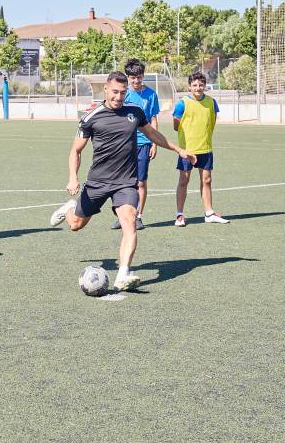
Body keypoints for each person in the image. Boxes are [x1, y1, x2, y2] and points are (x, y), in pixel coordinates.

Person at [49, 72, 196, 291]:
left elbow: (152, 134)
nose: (118, 97)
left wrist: (178, 149)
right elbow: (75, 151)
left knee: (129, 222)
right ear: (106, 89)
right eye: (115, 92)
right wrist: (73, 177)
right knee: (75, 225)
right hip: (98, 182)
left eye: (122, 93)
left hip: (126, 181)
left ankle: (123, 274)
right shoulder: (91, 117)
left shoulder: (134, 112)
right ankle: (70, 208)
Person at [173, 71, 229, 226]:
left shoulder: (212, 102)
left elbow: (212, 122)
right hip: (187, 150)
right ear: (189, 87)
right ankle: (179, 215)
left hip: (205, 148)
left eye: (201, 85)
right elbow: (176, 125)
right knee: (184, 180)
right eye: (195, 85)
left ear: (205, 86)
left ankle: (209, 213)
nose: (198, 88)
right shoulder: (182, 103)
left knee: (207, 180)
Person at [111, 58, 161, 231]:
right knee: (122, 182)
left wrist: (154, 143)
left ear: (143, 76)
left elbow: (153, 119)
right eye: (133, 78)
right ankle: (123, 216)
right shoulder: (123, 94)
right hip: (124, 143)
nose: (136, 81)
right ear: (128, 77)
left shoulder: (151, 95)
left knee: (140, 182)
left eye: (139, 77)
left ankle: (138, 216)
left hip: (144, 143)